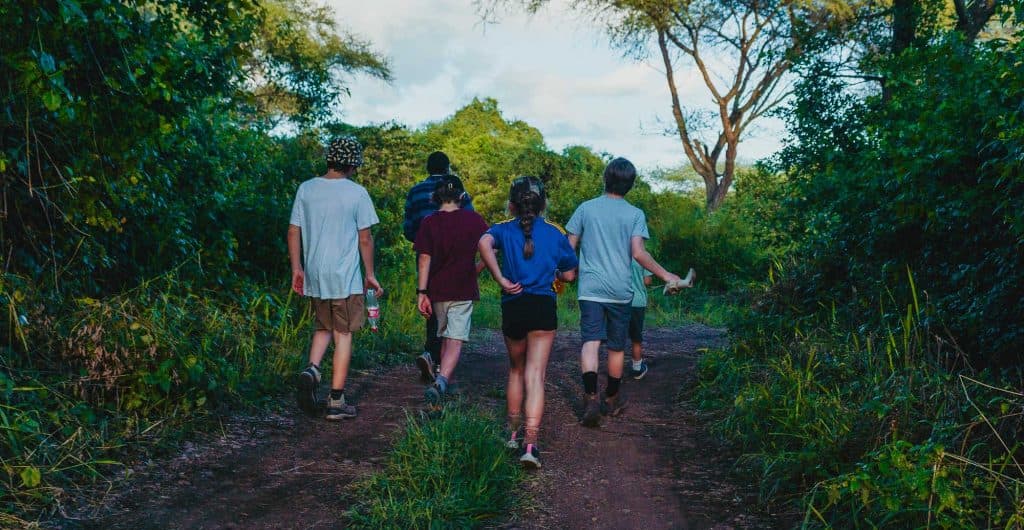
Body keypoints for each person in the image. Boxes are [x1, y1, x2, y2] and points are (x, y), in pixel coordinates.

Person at [565, 157, 682, 428]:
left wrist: (565, 273)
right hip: (620, 290)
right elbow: (638, 254)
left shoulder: (586, 208)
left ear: (605, 178)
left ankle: (591, 398)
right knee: (617, 347)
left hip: (590, 289)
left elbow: (568, 247)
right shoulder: (634, 214)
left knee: (591, 342)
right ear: (630, 185)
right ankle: (612, 398)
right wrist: (667, 275)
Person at [479, 176, 578, 469]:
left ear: (512, 204)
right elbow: (570, 275)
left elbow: (483, 242)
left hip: (513, 304)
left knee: (515, 370)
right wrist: (556, 274)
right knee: (536, 376)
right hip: (542, 306)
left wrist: (499, 277)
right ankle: (530, 445)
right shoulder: (554, 234)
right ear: (543, 204)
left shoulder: (503, 230)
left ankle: (511, 434)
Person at [288, 136, 383, 421]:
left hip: (316, 274)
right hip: (345, 277)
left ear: (329, 158)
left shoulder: (306, 189)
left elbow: (294, 230)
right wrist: (370, 274)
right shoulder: (357, 193)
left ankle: (313, 369)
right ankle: (336, 400)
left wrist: (297, 268)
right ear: (353, 163)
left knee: (323, 326)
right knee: (343, 334)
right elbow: (364, 238)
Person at [414, 175, 489, 405]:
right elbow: (491, 249)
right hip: (463, 288)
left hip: (437, 289)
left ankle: (442, 378)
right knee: (454, 338)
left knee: (446, 334)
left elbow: (424, 259)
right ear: (462, 196)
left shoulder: (428, 222)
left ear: (434, 197)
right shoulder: (475, 220)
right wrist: (476, 269)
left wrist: (422, 292)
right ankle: (442, 380)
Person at [403, 151, 475, 382]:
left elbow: (408, 228)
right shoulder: (457, 188)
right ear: (447, 168)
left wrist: (424, 239)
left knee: (431, 300)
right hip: (456, 256)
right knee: (449, 302)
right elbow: (470, 221)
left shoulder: (415, 192)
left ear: (427, 168)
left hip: (426, 252)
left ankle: (431, 352)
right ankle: (436, 358)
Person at [628, 260, 654, 379]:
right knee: (636, 338)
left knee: (618, 337)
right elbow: (647, 281)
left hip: (620, 301)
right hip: (637, 302)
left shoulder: (620, 252)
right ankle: (637, 368)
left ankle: (614, 369)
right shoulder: (642, 256)